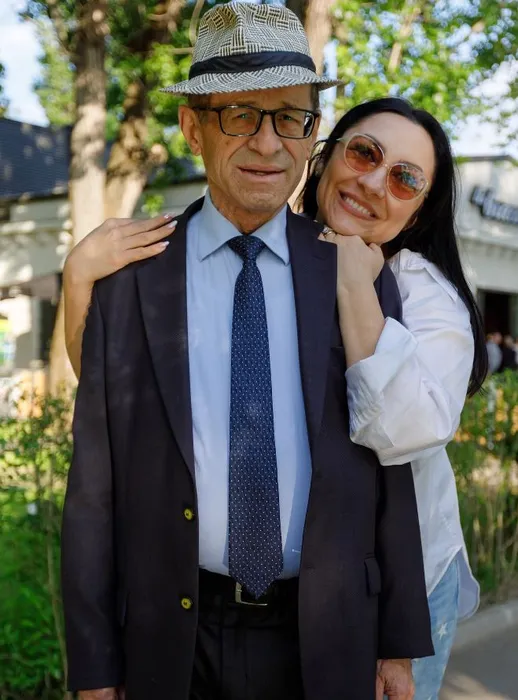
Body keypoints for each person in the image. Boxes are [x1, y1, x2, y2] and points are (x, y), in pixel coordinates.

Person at [61, 5, 432, 700]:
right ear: (192, 126)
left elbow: (389, 467)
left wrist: (399, 641)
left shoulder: (351, 271)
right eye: (240, 115)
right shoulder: (131, 281)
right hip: (170, 640)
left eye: (290, 118)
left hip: (326, 636)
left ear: (312, 132)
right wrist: (94, 670)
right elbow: (92, 490)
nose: (268, 143)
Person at [299, 98, 488, 699]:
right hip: (296, 593)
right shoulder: (272, 256)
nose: (375, 182)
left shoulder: (425, 295)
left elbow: (404, 430)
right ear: (326, 157)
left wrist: (354, 284)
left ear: (417, 211)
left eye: (405, 179)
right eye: (364, 153)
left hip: (399, 596)